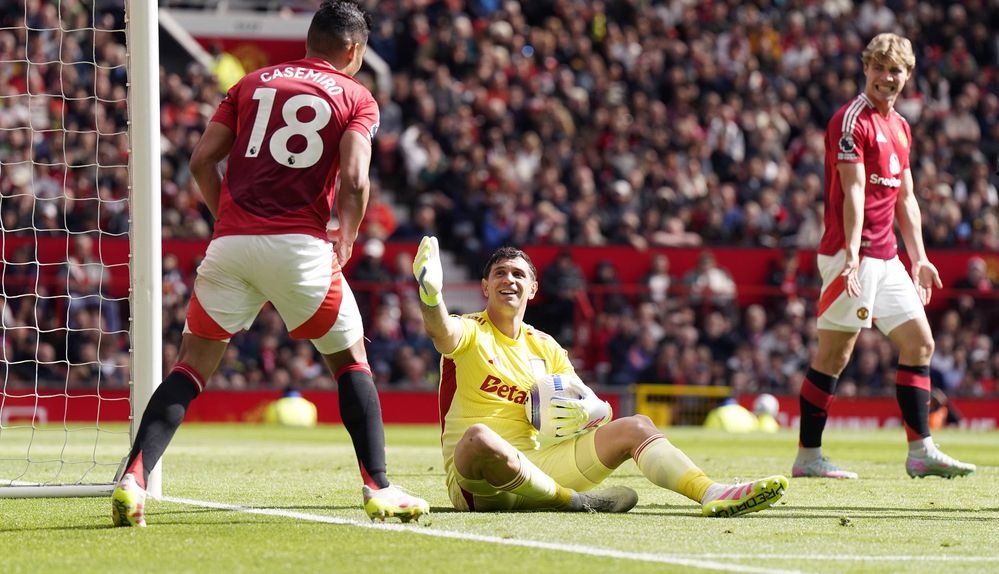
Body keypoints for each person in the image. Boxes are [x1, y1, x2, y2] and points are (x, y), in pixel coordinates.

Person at [111, 1, 429, 527]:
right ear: (353, 50)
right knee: (350, 361)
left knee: (189, 368)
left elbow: (200, 160)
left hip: (231, 245)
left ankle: (133, 478)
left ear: (310, 39)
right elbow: (354, 179)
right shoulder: (356, 96)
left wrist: (226, 220)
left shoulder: (252, 82)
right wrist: (345, 237)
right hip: (301, 246)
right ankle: (379, 487)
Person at [412, 236, 787, 516]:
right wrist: (432, 297)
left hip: (542, 464)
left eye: (518, 274)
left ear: (533, 288)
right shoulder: (471, 329)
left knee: (636, 426)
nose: (508, 280)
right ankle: (572, 501)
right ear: (485, 287)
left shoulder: (545, 346)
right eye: (499, 274)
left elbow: (593, 407)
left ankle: (712, 492)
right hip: (479, 482)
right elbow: (441, 331)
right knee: (479, 438)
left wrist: (592, 411)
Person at [793, 33, 975, 480]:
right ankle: (808, 457)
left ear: (907, 76)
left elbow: (906, 198)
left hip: (888, 256)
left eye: (895, 70)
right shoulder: (850, 120)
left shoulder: (901, 126)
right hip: (848, 254)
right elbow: (853, 193)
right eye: (879, 68)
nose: (886, 77)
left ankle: (921, 451)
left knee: (920, 343)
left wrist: (920, 257)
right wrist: (852, 255)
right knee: (835, 355)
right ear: (866, 69)